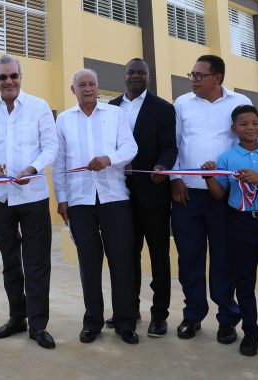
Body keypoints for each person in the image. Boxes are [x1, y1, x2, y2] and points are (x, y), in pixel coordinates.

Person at [0, 54, 58, 349]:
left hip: (32, 195)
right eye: (2, 77)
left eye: (13, 76)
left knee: (36, 263)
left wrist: (33, 169)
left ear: (21, 77)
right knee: (10, 263)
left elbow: (51, 147)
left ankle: (38, 324)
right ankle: (16, 318)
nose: (9, 81)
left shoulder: (39, 107)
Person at [201, 104, 258, 359]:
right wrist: (209, 177)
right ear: (234, 129)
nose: (250, 128)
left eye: (255, 123)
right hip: (240, 225)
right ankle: (251, 333)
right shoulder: (226, 159)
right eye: (244, 124)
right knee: (244, 282)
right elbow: (219, 194)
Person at [54, 69, 139, 344]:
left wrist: (109, 159)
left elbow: (130, 148)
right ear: (73, 89)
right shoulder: (64, 120)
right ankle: (92, 322)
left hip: (114, 199)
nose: (88, 88)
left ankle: (126, 322)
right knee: (89, 264)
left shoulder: (115, 115)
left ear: (98, 87)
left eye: (92, 84)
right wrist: (62, 198)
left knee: (121, 261)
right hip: (79, 201)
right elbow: (59, 163)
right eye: (82, 85)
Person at [171, 55, 249, 343]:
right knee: (189, 259)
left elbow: (245, 144)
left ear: (217, 78)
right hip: (187, 196)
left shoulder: (237, 102)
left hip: (223, 196)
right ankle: (193, 315)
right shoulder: (181, 103)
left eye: (199, 75)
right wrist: (175, 178)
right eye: (191, 74)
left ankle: (227, 318)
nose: (193, 79)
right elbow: (175, 143)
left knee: (224, 261)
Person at [109, 58, 177, 337]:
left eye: (141, 72)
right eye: (131, 72)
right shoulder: (110, 108)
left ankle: (159, 315)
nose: (136, 76)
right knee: (126, 255)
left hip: (153, 192)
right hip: (119, 194)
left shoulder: (163, 108)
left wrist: (163, 166)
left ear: (149, 76)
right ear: (124, 76)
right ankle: (129, 309)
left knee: (159, 256)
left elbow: (170, 146)